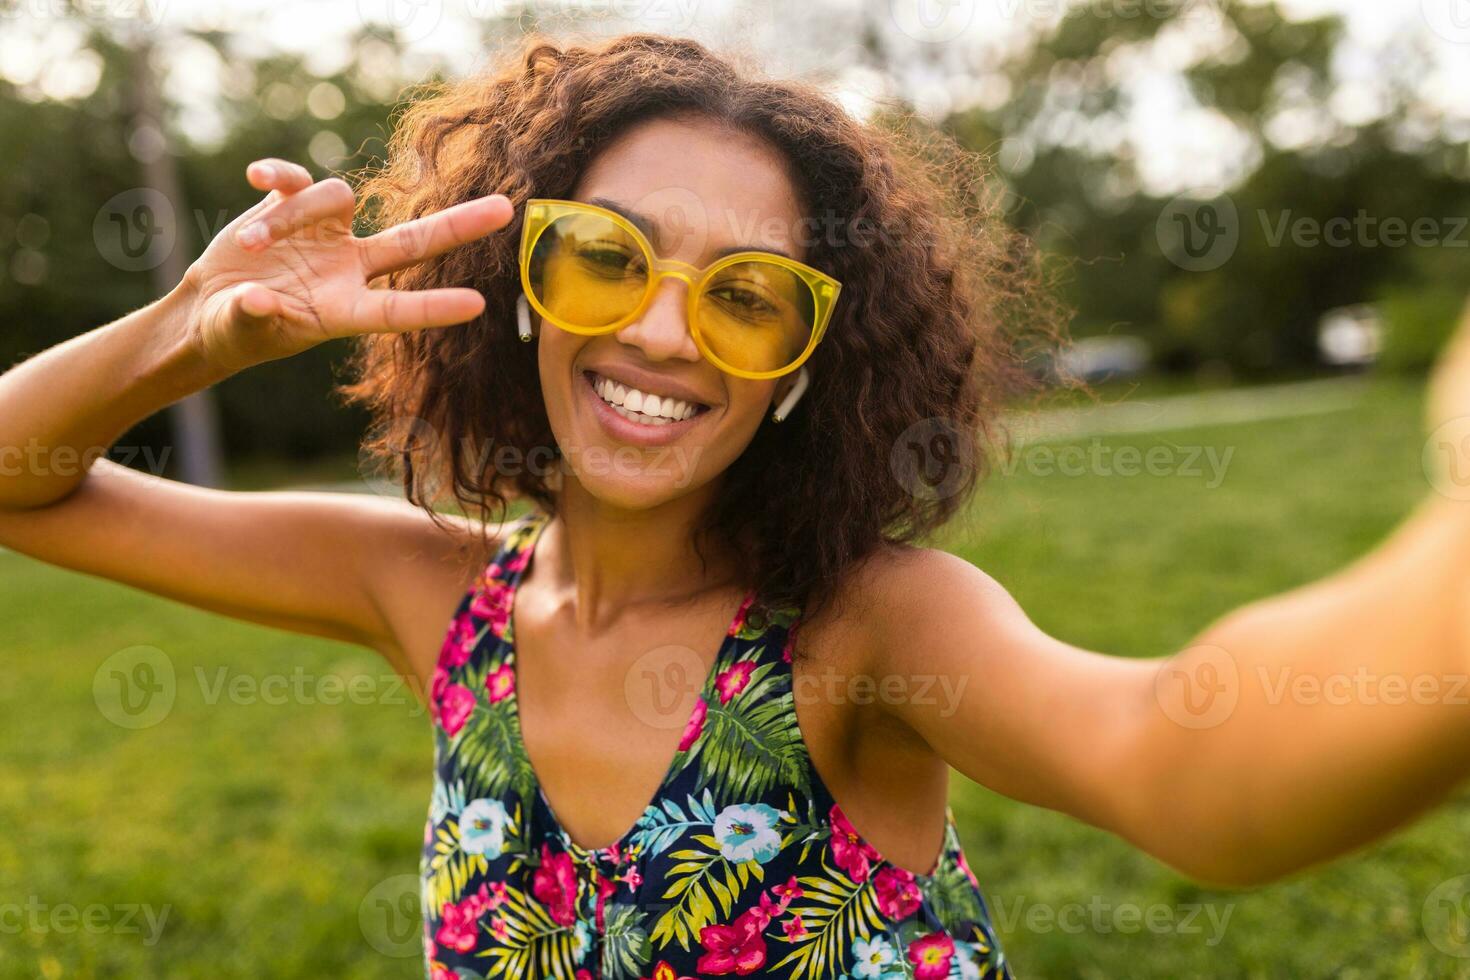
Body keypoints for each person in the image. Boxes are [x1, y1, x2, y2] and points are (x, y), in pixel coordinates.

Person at [3, 31, 1470, 980]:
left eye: (746, 296)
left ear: (802, 367)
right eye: (605, 260)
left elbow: (1182, 766)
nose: (658, 335)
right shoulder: (431, 600)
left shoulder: (866, 628)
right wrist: (185, 332)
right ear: (522, 292)